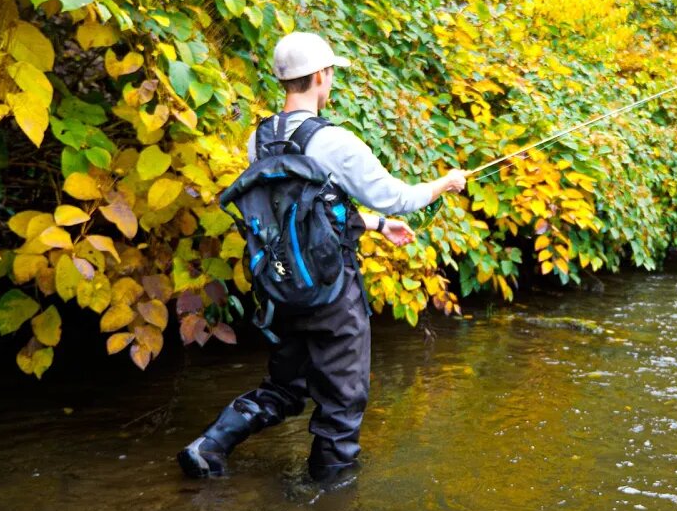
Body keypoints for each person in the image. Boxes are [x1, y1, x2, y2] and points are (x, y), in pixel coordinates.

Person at [178, 31, 466, 482]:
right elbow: (396, 197)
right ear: (318, 77)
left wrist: (372, 225)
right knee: (343, 403)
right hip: (331, 297)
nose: (330, 83)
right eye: (329, 75)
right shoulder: (335, 142)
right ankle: (327, 501)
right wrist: (444, 183)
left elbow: (296, 214)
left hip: (278, 289)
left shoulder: (261, 140)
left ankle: (210, 446)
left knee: (286, 387)